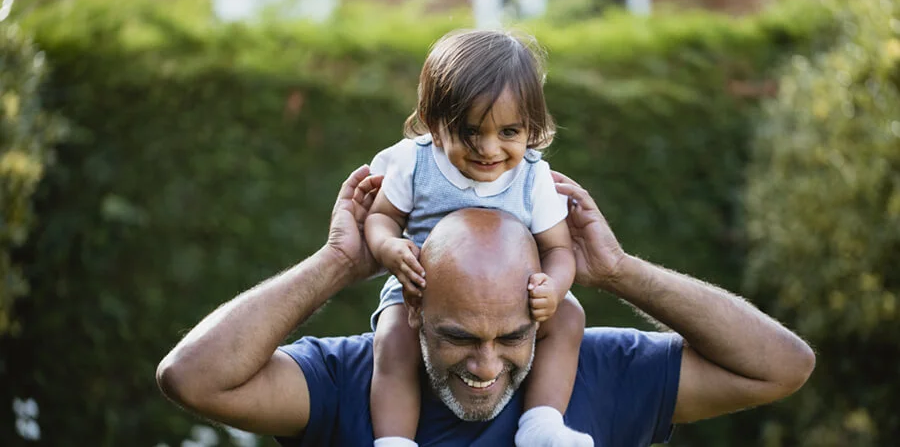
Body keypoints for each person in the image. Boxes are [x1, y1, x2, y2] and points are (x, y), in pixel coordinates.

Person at [156, 165, 816, 447]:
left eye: (512, 337)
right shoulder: (345, 380)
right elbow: (193, 376)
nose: (485, 364)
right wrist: (335, 265)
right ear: (411, 308)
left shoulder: (598, 372)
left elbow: (780, 366)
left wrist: (621, 272)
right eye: (458, 337)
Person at [363, 29, 586, 447]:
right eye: (470, 132)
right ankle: (394, 440)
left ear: (530, 128)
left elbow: (559, 249)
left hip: (512, 299)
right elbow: (382, 218)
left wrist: (553, 287)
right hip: (421, 291)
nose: (489, 149)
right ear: (433, 124)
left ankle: (541, 423)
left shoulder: (532, 176)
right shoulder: (415, 162)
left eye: (508, 133)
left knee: (570, 319)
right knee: (393, 342)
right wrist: (389, 247)